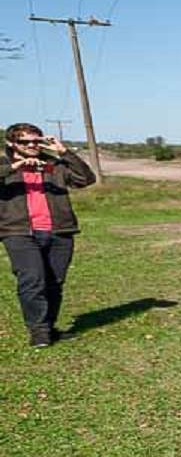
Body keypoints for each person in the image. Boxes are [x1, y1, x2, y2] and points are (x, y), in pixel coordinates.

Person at [2, 124, 96, 348]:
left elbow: (86, 179)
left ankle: (50, 327)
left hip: (59, 231)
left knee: (54, 282)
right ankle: (39, 331)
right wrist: (16, 167)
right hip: (19, 232)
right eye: (25, 142)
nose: (32, 145)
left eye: (36, 141)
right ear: (11, 144)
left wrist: (63, 152)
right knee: (32, 280)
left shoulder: (53, 165)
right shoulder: (6, 165)